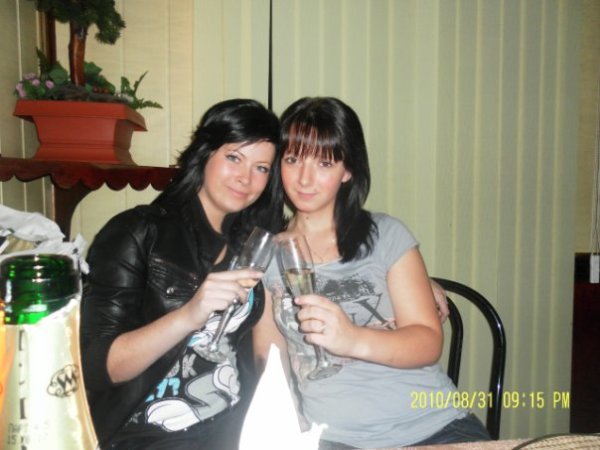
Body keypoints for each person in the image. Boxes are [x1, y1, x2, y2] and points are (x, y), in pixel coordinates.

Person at [254, 97, 491, 449]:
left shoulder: (386, 235)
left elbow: (428, 342)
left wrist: (352, 338)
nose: (305, 178)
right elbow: (270, 359)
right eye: (293, 159)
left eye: (324, 163)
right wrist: (289, 423)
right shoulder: (267, 256)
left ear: (347, 170)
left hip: (434, 426)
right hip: (334, 439)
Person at [80, 98, 283, 449]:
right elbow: (99, 368)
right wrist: (189, 314)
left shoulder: (249, 245)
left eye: (261, 168)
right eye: (234, 158)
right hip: (149, 434)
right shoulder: (137, 232)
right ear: (204, 153)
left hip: (233, 425)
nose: (246, 178)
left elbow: (264, 355)